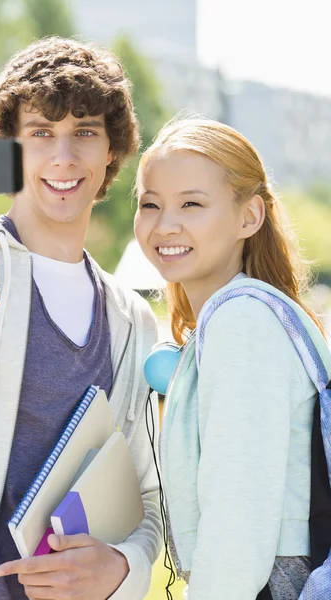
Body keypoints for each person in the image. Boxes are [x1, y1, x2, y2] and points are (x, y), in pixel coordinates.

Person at [0, 36, 161, 600]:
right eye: (40, 134)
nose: (63, 157)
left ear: (112, 150)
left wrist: (123, 567)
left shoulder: (131, 320)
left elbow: (149, 502)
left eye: (85, 132)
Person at [134, 117, 331, 600]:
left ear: (250, 217)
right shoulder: (255, 314)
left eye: (192, 204)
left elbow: (237, 524)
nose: (165, 224)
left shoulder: (242, 321)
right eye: (150, 204)